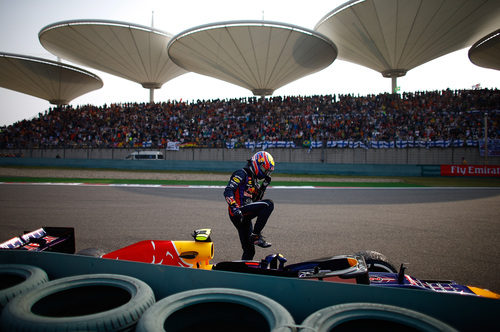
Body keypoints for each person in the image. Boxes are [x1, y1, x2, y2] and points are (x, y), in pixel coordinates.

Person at [224, 151, 275, 260]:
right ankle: (255, 235)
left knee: (249, 251)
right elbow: (228, 190)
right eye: (264, 170)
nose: (265, 173)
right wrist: (234, 207)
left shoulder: (254, 179)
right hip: (238, 212)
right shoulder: (241, 173)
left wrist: (264, 186)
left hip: (245, 215)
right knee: (269, 204)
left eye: (267, 172)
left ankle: (242, 273)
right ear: (257, 163)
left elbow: (256, 200)